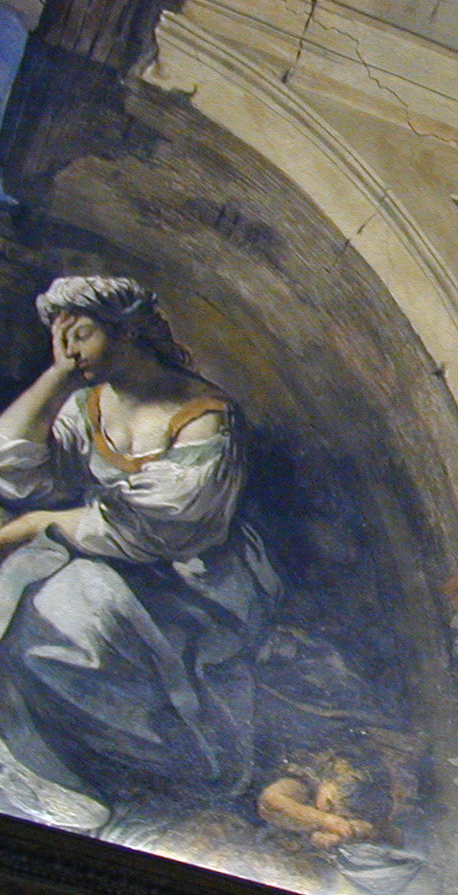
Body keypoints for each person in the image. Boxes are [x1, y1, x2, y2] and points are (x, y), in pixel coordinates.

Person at [0, 275, 280, 829]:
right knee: (30, 596)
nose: (70, 352)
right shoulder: (88, 402)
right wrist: (55, 376)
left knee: (71, 609)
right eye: (60, 340)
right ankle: (34, 762)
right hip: (104, 556)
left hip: (191, 584)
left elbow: (160, 530)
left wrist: (33, 526)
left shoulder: (206, 417)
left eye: (80, 335)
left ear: (126, 331)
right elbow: (13, 471)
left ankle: (115, 768)